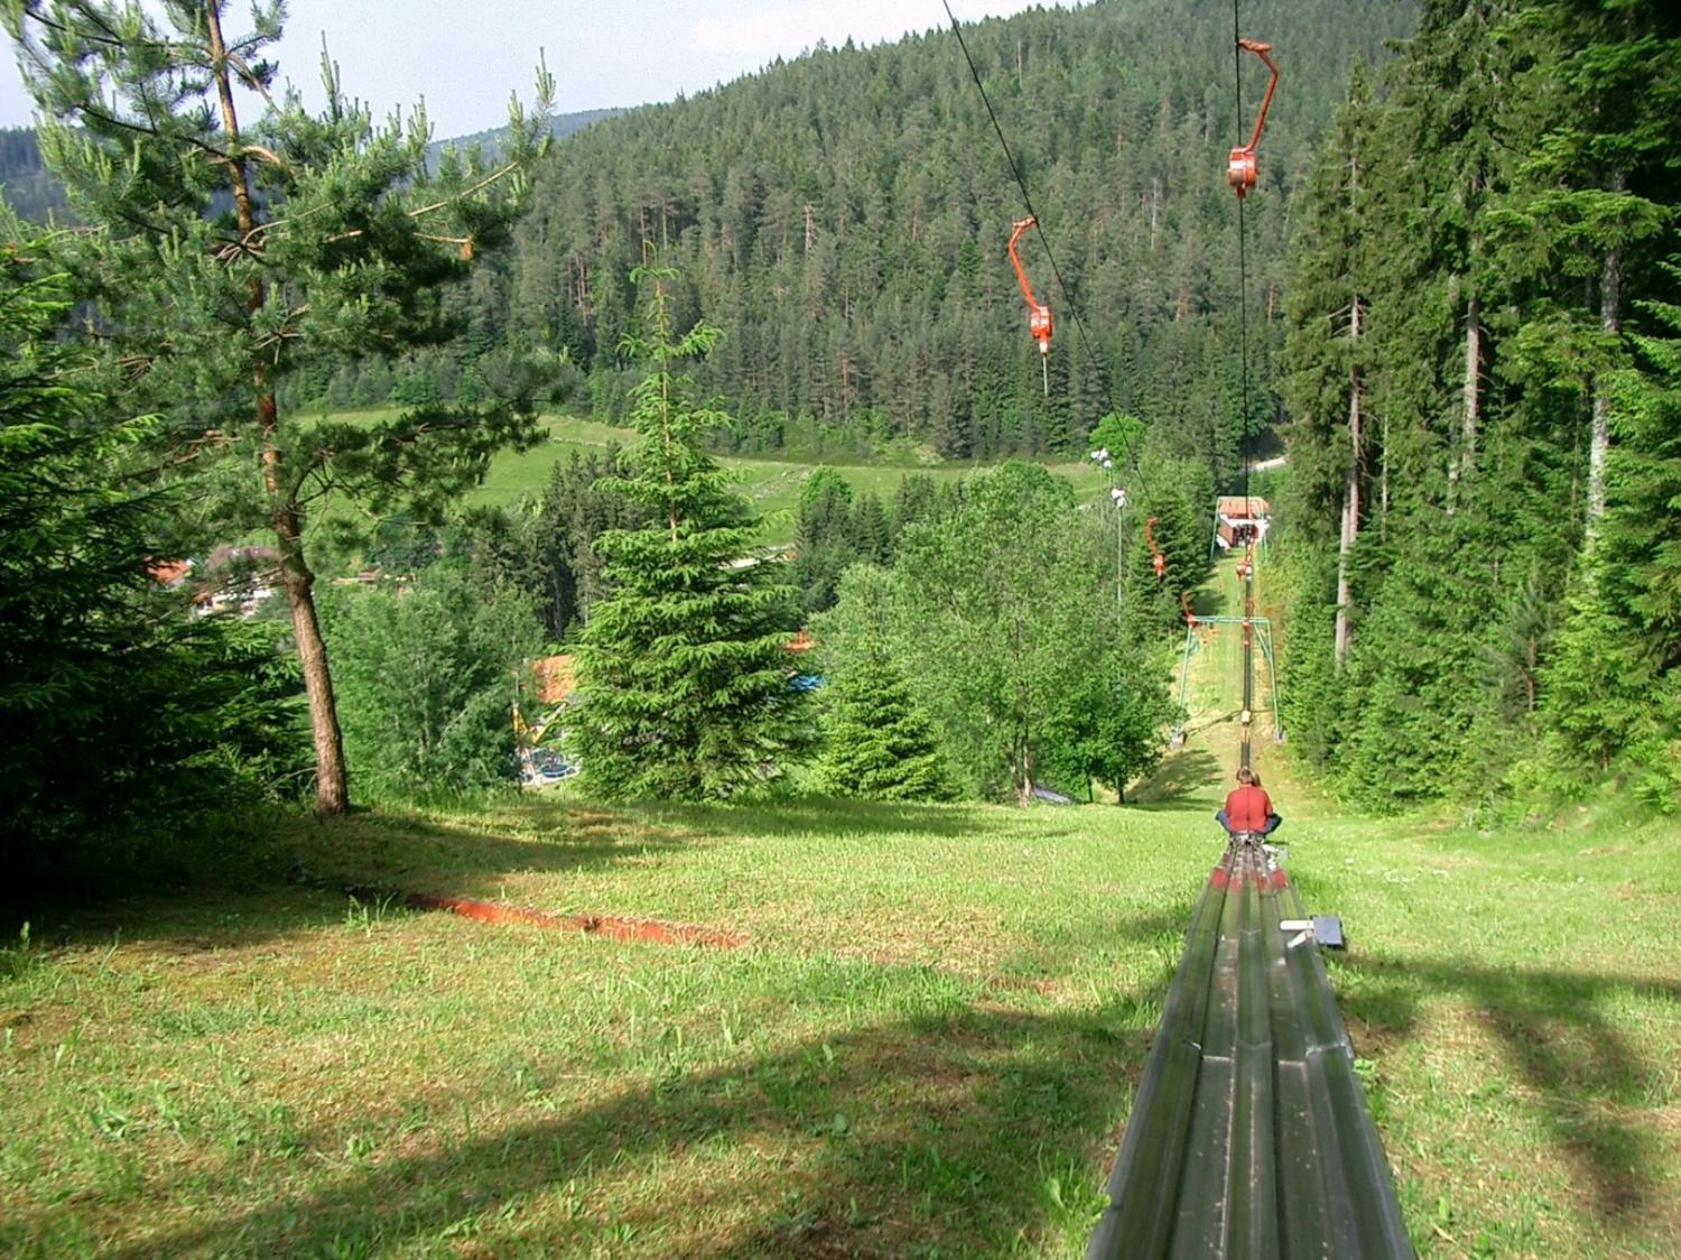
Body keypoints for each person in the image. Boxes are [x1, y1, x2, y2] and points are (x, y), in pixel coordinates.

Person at [1215, 765, 1281, 838]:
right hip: (1258, 831)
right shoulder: (1262, 794)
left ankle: (1236, 836)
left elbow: (1227, 813)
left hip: (1237, 831)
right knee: (1276, 818)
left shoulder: (1232, 795)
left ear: (1239, 780)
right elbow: (1270, 813)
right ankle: (1260, 835)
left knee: (1221, 813)